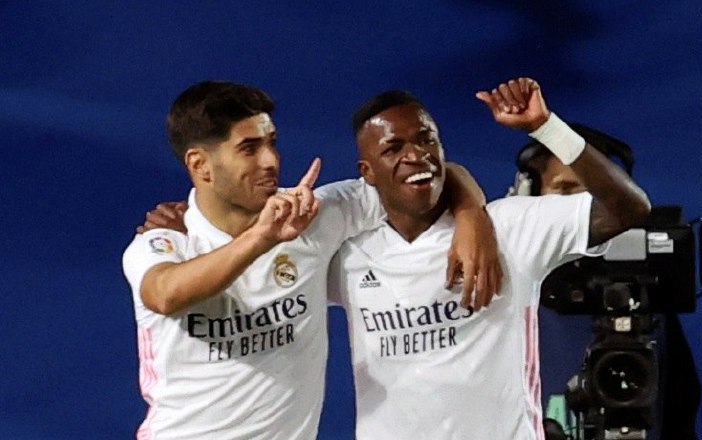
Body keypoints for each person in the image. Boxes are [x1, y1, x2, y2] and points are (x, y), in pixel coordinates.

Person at [122, 80, 501, 439]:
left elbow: (426, 173)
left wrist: (471, 216)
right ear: (200, 164)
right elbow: (165, 294)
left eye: (272, 142)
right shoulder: (166, 242)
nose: (271, 160)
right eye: (249, 148)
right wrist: (263, 238)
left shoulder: (313, 215)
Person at [326, 77, 651, 439]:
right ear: (366, 173)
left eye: (426, 139)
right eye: (393, 148)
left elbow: (629, 210)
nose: (416, 155)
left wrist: (548, 128)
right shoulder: (350, 258)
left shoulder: (510, 229)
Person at [511, 125, 702, 440]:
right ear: (530, 196)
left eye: (596, 194)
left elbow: (680, 416)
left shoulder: (650, 311)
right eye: (566, 190)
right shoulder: (509, 303)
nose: (584, 209)